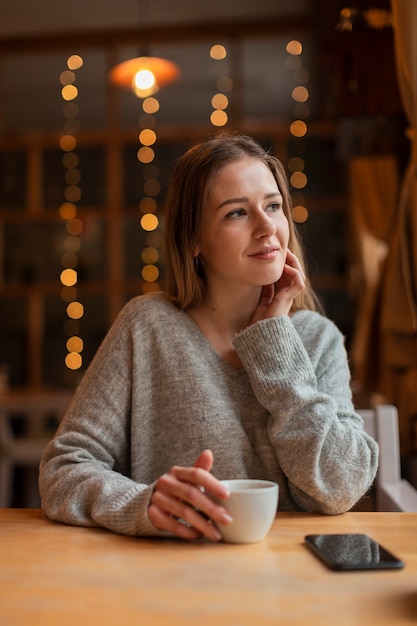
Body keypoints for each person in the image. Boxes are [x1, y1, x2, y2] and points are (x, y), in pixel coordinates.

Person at [39, 133, 378, 541]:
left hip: (293, 581)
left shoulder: (317, 338)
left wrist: (274, 343)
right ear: (193, 239)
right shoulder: (147, 326)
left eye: (273, 206)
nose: (267, 226)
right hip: (173, 579)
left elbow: (340, 486)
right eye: (237, 213)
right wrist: (141, 503)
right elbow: (63, 470)